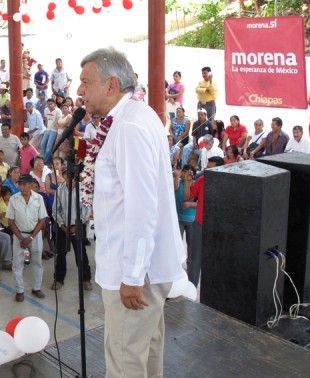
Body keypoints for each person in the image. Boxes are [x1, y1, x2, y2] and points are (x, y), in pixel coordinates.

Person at [77, 47, 184, 377]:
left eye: (85, 82)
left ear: (110, 85)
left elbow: (142, 206)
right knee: (147, 356)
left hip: (136, 270)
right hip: (145, 266)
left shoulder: (127, 127)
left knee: (125, 364)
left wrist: (133, 277)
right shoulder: (138, 115)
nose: (79, 91)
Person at [183, 156, 225, 286]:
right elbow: (188, 197)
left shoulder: (226, 182)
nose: (207, 170)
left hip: (218, 227)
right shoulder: (202, 180)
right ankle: (191, 290)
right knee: (195, 261)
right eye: (207, 167)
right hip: (200, 224)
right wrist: (187, 182)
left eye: (210, 168)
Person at [7, 174, 48, 302]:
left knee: (37, 262)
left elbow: (42, 220)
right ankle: (19, 290)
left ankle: (36, 288)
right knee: (18, 263)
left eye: (25, 184)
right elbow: (10, 221)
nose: (22, 186)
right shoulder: (14, 199)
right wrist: (20, 238)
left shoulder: (38, 198)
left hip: (34, 235)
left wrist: (30, 238)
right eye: (20, 184)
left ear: (31, 185)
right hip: (19, 234)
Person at [51, 166, 93, 291]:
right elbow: (55, 210)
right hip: (63, 226)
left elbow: (86, 210)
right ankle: (58, 279)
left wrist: (77, 226)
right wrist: (62, 225)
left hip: (78, 226)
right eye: (66, 175)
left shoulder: (83, 191)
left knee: (81, 254)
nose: (68, 178)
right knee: (61, 254)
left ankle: (86, 279)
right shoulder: (60, 190)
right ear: (63, 176)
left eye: (71, 175)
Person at [173, 166, 196, 269]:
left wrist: (190, 205)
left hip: (192, 220)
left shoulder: (196, 185)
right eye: (184, 171)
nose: (186, 174)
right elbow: (175, 187)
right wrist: (177, 176)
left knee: (191, 245)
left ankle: (190, 264)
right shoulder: (179, 183)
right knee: (177, 243)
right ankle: (176, 264)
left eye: (189, 173)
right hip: (179, 219)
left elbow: (199, 203)